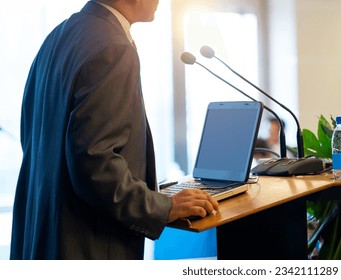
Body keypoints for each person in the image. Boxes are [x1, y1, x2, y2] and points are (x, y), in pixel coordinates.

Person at [11, 0, 218, 260]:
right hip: (86, 248)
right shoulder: (113, 46)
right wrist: (162, 207)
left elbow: (37, 139)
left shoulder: (57, 37)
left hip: (44, 239)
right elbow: (95, 164)